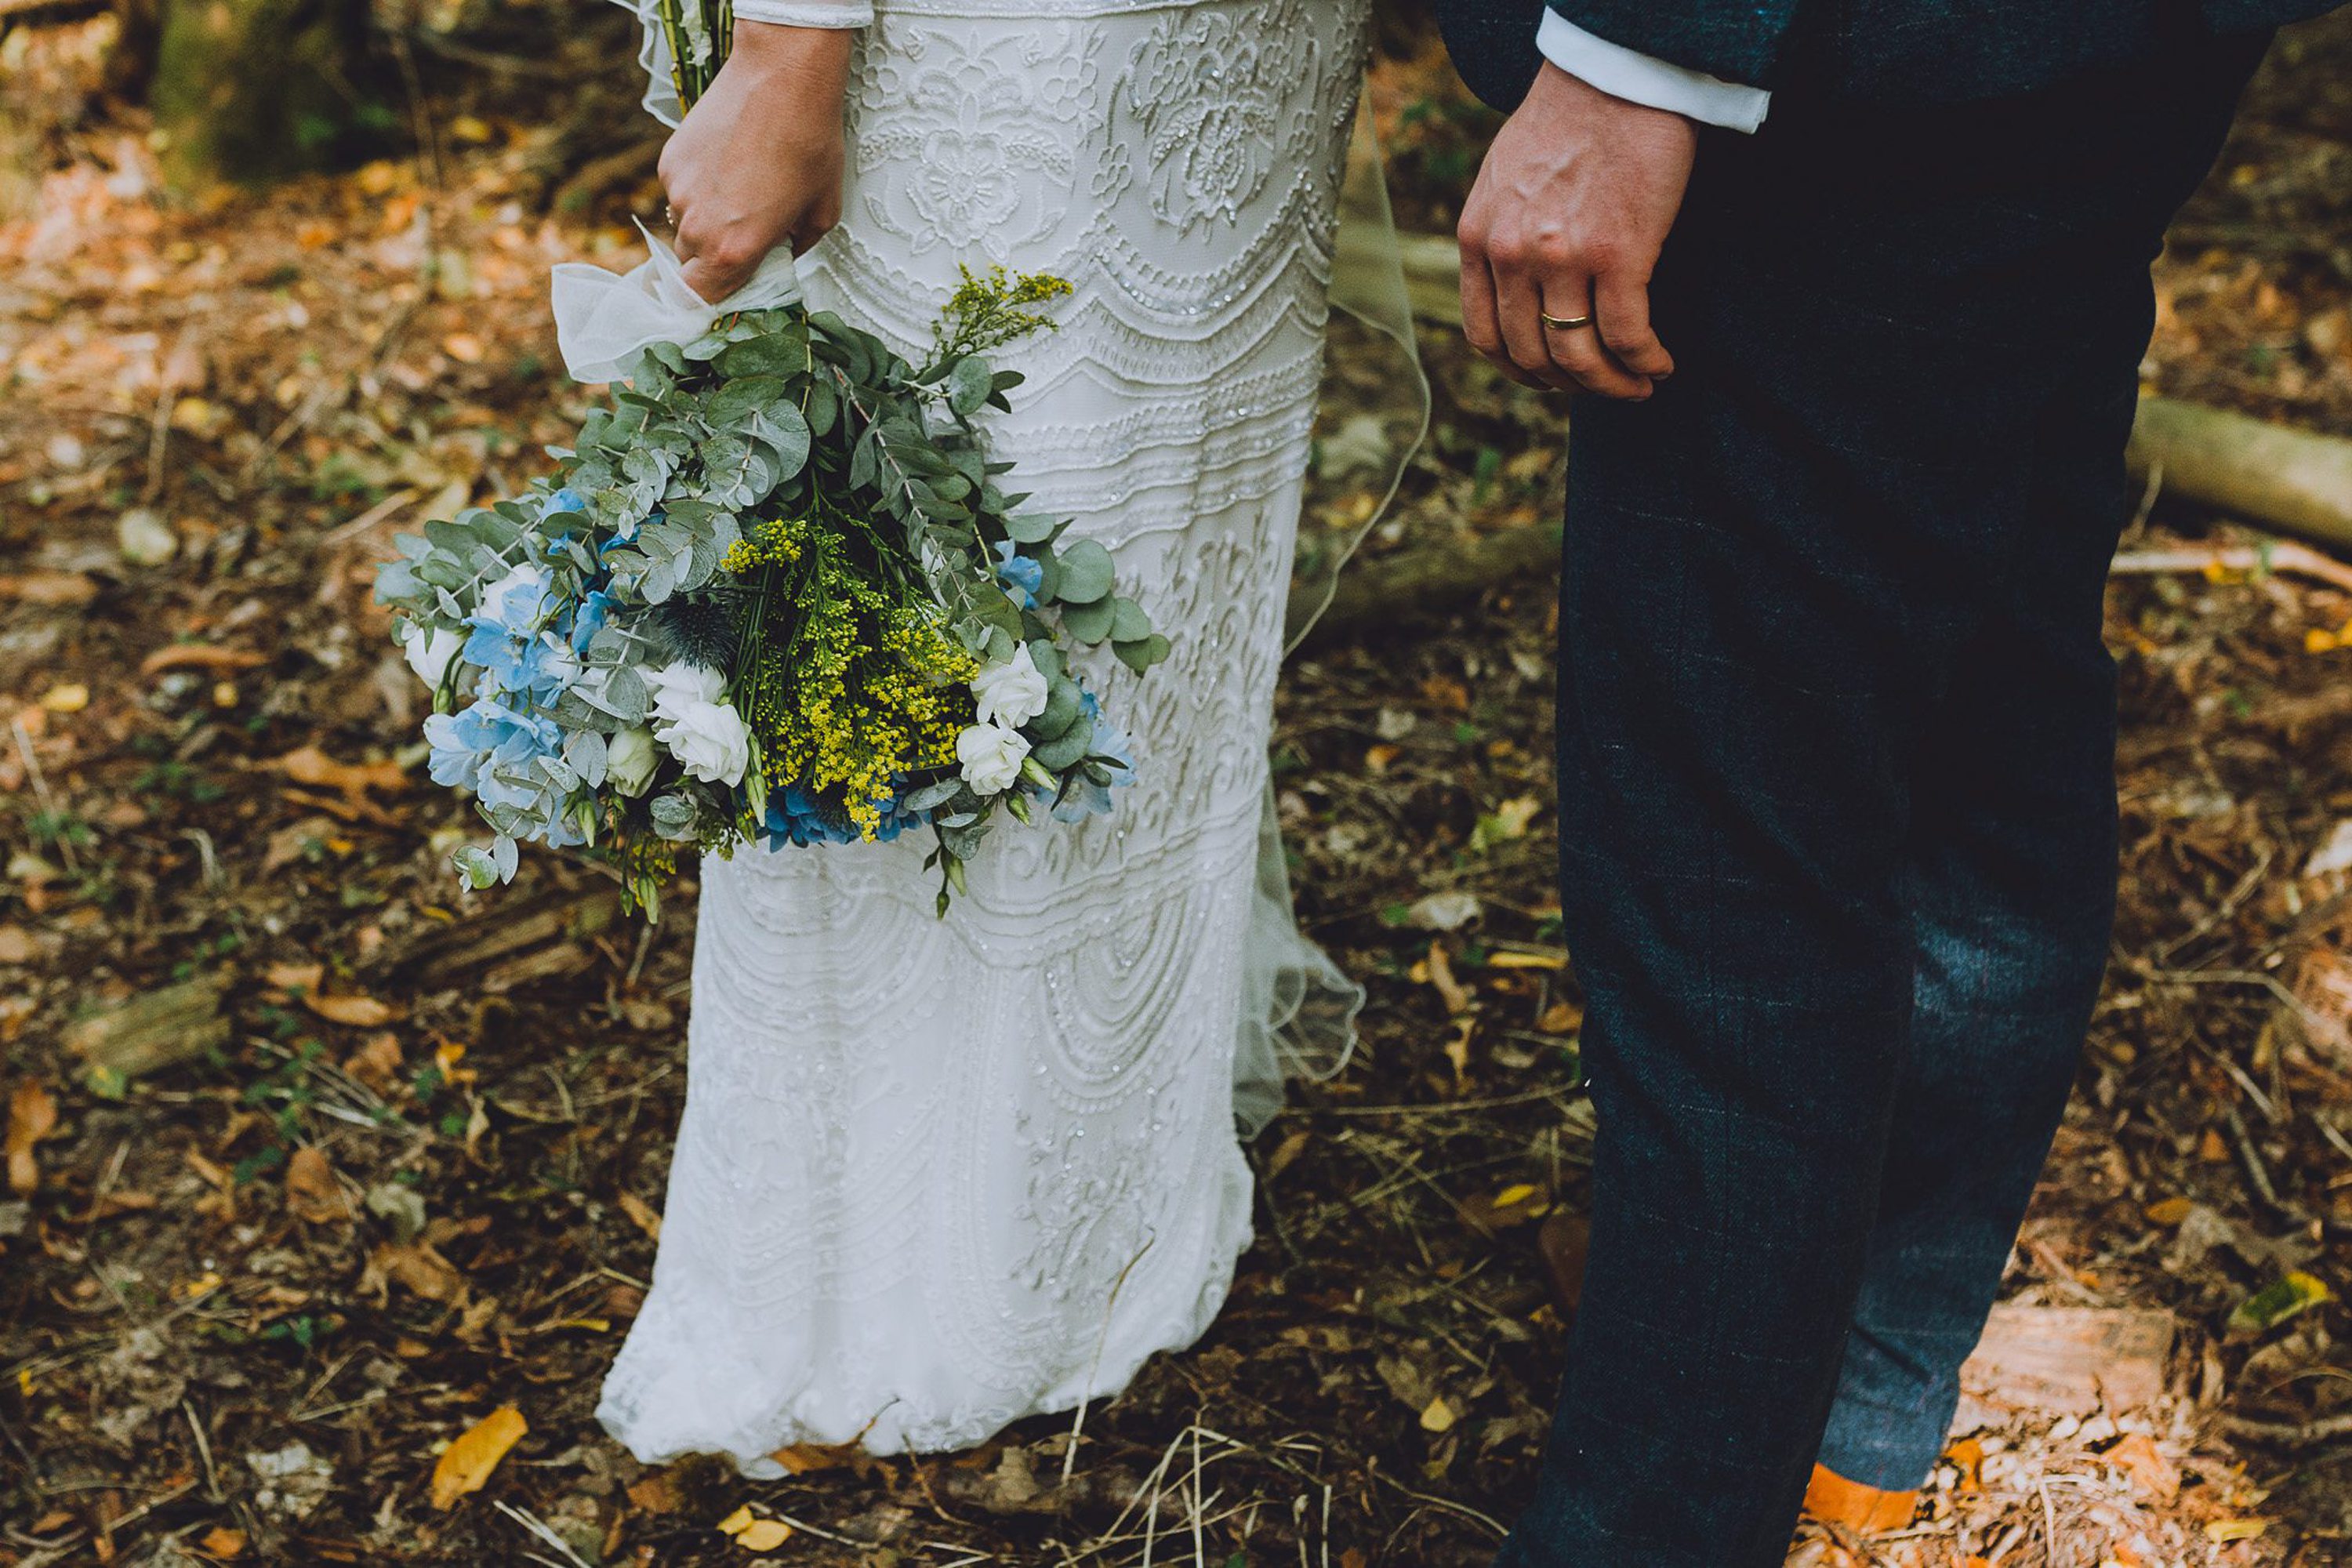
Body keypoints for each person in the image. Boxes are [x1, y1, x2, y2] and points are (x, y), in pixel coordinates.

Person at [1425, 1, 2339, 1562]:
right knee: (1986, 691)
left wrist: (1635, 60)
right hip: (2103, 50)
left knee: (1729, 863)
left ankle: (1661, 1516)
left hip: (1843, 76)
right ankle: (1859, 1386)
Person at [591, 0, 1372, 1468]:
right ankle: (892, 1267)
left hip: (1242, 55)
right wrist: (788, 49)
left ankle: (1101, 1189)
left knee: (1160, 545)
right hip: (1010, 52)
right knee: (966, 517)